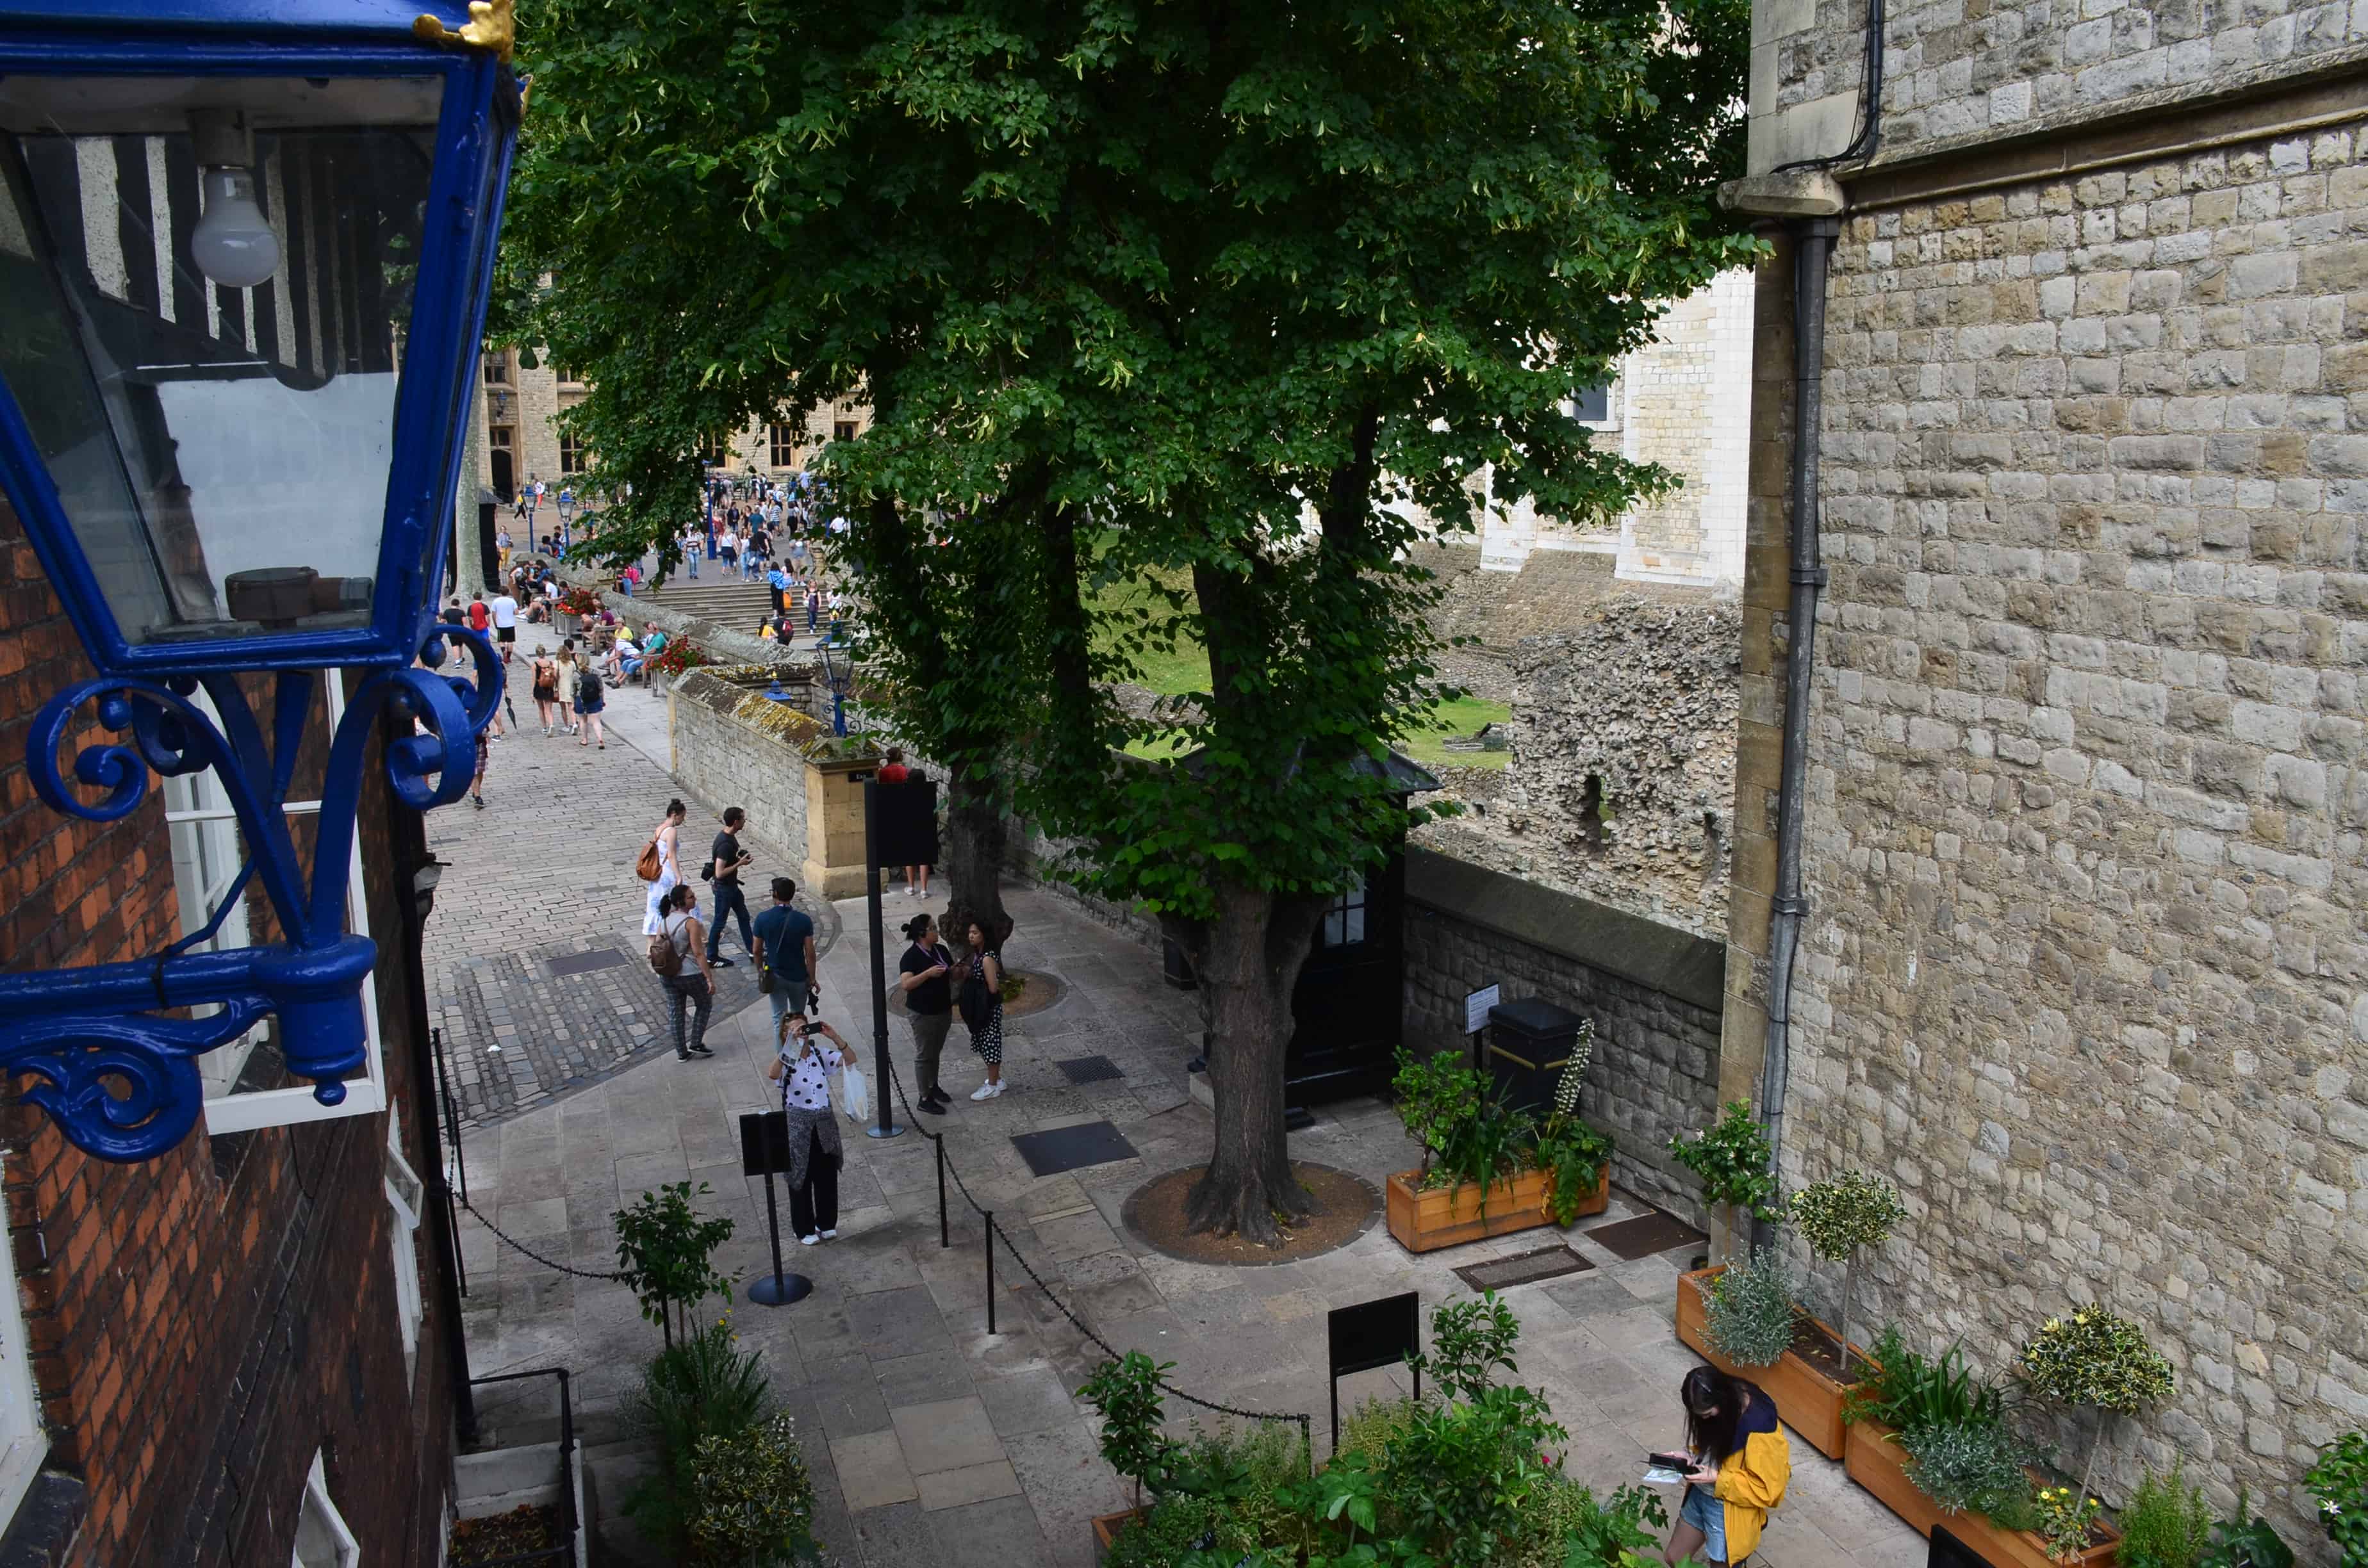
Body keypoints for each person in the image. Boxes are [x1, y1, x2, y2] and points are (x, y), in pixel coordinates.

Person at [1661, 1366, 1790, 1567]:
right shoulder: (1724, 1403)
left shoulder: (1760, 1426)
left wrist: (1718, 1478)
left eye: (1708, 1414)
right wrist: (1692, 1457)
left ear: (1721, 1400)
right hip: (1700, 1496)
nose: (1703, 1419)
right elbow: (1718, 1447)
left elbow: (1768, 1491)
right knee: (1674, 1558)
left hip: (1728, 1509)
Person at [765, 1011, 848, 1243]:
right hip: (799, 1126)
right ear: (785, 1034)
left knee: (827, 1175)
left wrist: (835, 1037)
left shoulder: (819, 1055)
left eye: (804, 1028)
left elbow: (850, 1059)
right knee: (800, 1176)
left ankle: (826, 1223)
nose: (802, 1033)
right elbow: (772, 1074)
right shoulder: (785, 1061)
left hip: (824, 1124)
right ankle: (803, 1228)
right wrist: (790, 1045)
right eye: (795, 1029)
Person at [896, 913, 955, 1113]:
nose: (937, 931)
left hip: (943, 1009)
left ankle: (933, 1085)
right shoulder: (911, 957)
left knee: (935, 1051)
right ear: (923, 933)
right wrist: (928, 974)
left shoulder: (941, 950)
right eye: (933, 928)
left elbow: (950, 973)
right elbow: (906, 984)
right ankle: (924, 1097)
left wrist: (958, 971)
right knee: (924, 1054)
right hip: (922, 1013)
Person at [753, 876, 818, 1044]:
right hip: (798, 975)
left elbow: (756, 950)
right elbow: (810, 953)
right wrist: (812, 978)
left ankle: (783, 1059)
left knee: (779, 1020)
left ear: (774, 894)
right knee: (798, 1019)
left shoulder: (762, 919)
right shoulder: (803, 920)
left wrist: (760, 970)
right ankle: (800, 1054)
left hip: (775, 975)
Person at [657, 885, 717, 1060]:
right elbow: (699, 953)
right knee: (705, 1004)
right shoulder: (691, 923)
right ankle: (696, 1042)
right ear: (680, 901)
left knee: (676, 1011)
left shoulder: (664, 921)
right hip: (689, 973)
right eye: (691, 897)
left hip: (668, 974)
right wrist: (709, 978)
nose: (695, 899)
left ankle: (681, 1052)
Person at [956, 913, 1006, 1100]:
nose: (971, 936)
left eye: (975, 933)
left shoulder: (987, 958)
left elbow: (993, 987)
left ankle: (993, 1086)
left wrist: (974, 979)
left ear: (984, 934)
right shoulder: (979, 955)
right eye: (970, 933)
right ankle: (997, 1079)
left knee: (991, 1044)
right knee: (984, 1044)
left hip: (988, 1009)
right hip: (982, 1008)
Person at [706, 806, 755, 966]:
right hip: (724, 889)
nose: (745, 821)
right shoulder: (725, 844)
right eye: (743, 819)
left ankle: (753, 950)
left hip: (732, 887)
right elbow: (719, 873)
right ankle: (711, 957)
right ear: (736, 822)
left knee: (744, 916)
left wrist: (740, 857)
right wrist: (740, 864)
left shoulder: (729, 836)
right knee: (719, 923)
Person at [575, 654, 607, 748]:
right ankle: (600, 739)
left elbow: (572, 691)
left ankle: (585, 740)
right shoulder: (596, 673)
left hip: (581, 699)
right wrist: (602, 699)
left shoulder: (575, 675)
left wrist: (573, 702)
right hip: (595, 698)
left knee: (583, 720)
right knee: (596, 721)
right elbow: (601, 688)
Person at [529, 644, 559, 734]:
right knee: (549, 709)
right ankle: (551, 724)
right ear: (545, 653)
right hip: (549, 687)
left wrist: (532, 692)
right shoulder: (550, 663)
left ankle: (544, 728)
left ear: (537, 654)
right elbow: (555, 676)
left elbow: (533, 679)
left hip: (539, 686)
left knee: (541, 709)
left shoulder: (535, 665)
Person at [553, 641, 580, 734]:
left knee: (563, 708)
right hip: (571, 686)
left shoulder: (557, 663)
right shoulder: (572, 663)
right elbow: (575, 673)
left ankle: (567, 726)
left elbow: (556, 675)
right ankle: (575, 723)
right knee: (571, 707)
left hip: (561, 686)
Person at [489, 585, 520, 661]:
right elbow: (516, 612)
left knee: (501, 641)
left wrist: (495, 623)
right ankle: (508, 656)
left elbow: (493, 613)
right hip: (510, 624)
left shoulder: (496, 601)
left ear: (500, 592)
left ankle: (504, 650)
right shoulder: (512, 601)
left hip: (501, 624)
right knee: (510, 641)